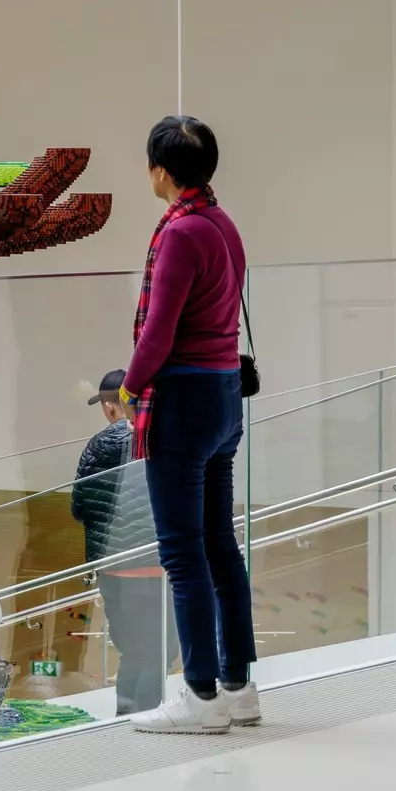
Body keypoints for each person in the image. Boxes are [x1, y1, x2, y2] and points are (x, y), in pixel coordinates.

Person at [120, 115, 258, 734]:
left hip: (184, 402)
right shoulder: (223, 224)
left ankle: (200, 697)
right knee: (219, 545)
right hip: (226, 395)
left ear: (160, 170)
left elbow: (159, 333)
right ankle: (239, 687)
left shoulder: (178, 234)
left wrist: (126, 387)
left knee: (183, 553)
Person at [71, 369, 171, 714]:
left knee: (133, 651)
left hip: (113, 571)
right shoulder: (164, 437)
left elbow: (79, 507)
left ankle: (125, 719)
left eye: (106, 403)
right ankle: (144, 719)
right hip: (158, 569)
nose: (106, 410)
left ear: (114, 406)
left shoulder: (98, 445)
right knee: (160, 651)